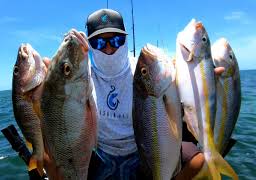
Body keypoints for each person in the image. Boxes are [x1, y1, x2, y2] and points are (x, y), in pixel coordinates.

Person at [85, 8, 206, 180]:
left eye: (116, 40)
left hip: (141, 148)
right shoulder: (82, 77)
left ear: (125, 40)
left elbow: (178, 85)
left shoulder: (144, 68)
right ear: (90, 45)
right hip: (101, 151)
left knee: (198, 160)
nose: (109, 48)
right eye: (99, 43)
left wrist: (201, 78)